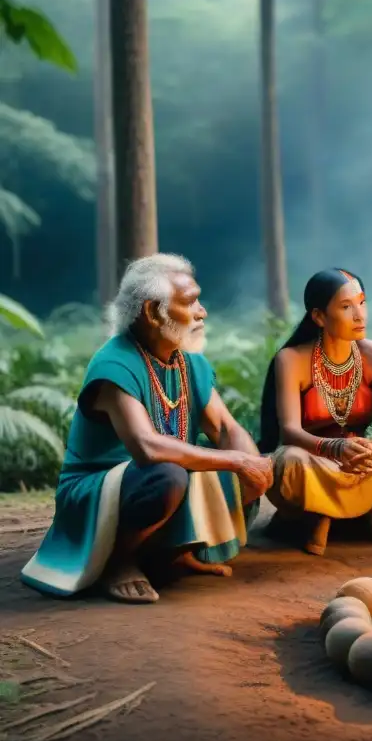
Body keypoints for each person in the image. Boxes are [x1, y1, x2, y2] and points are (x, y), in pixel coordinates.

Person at [21, 255, 273, 604]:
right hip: (102, 491)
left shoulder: (190, 362)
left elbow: (224, 426)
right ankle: (117, 561)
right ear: (153, 312)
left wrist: (251, 465)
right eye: (190, 302)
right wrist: (236, 462)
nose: (202, 312)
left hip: (162, 476)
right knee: (167, 476)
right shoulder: (114, 363)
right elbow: (147, 448)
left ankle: (175, 553)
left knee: (243, 460)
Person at [257, 269, 372, 554]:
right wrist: (334, 448)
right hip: (315, 459)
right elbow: (290, 431)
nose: (360, 315)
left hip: (362, 459)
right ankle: (318, 516)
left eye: (362, 302)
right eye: (346, 307)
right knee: (290, 459)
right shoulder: (291, 359)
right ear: (319, 317)